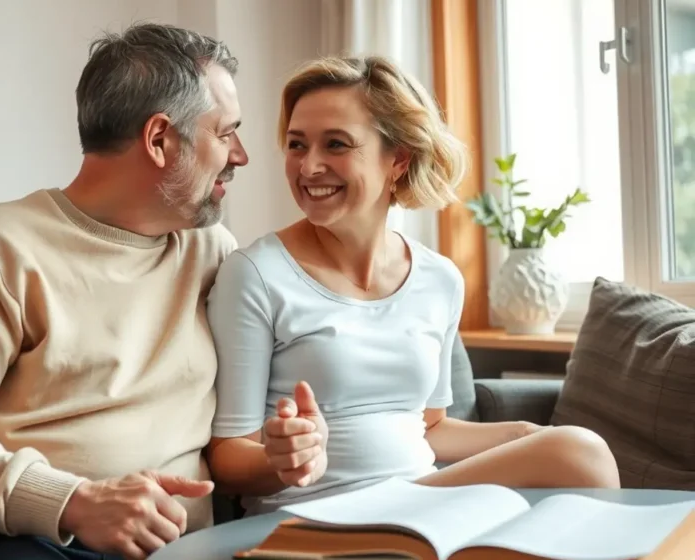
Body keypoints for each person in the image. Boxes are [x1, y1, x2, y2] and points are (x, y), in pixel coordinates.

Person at [0, 22, 248, 560]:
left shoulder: (212, 252)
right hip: (12, 540)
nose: (241, 155)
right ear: (159, 139)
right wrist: (73, 501)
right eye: (226, 132)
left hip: (176, 546)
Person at [204, 54, 620, 517]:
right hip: (313, 516)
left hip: (417, 501)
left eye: (336, 145)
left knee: (581, 455)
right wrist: (281, 459)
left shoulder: (439, 280)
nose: (308, 166)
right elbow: (226, 457)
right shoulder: (256, 274)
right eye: (298, 145)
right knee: (580, 453)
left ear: (398, 159)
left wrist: (522, 434)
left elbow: (431, 427)